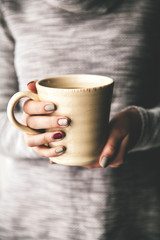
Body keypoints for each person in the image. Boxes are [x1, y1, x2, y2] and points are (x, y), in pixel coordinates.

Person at [0, 0, 160, 239]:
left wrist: (144, 126)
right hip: (31, 220)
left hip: (132, 214)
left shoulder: (151, 8)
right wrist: (35, 134)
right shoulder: (9, 8)